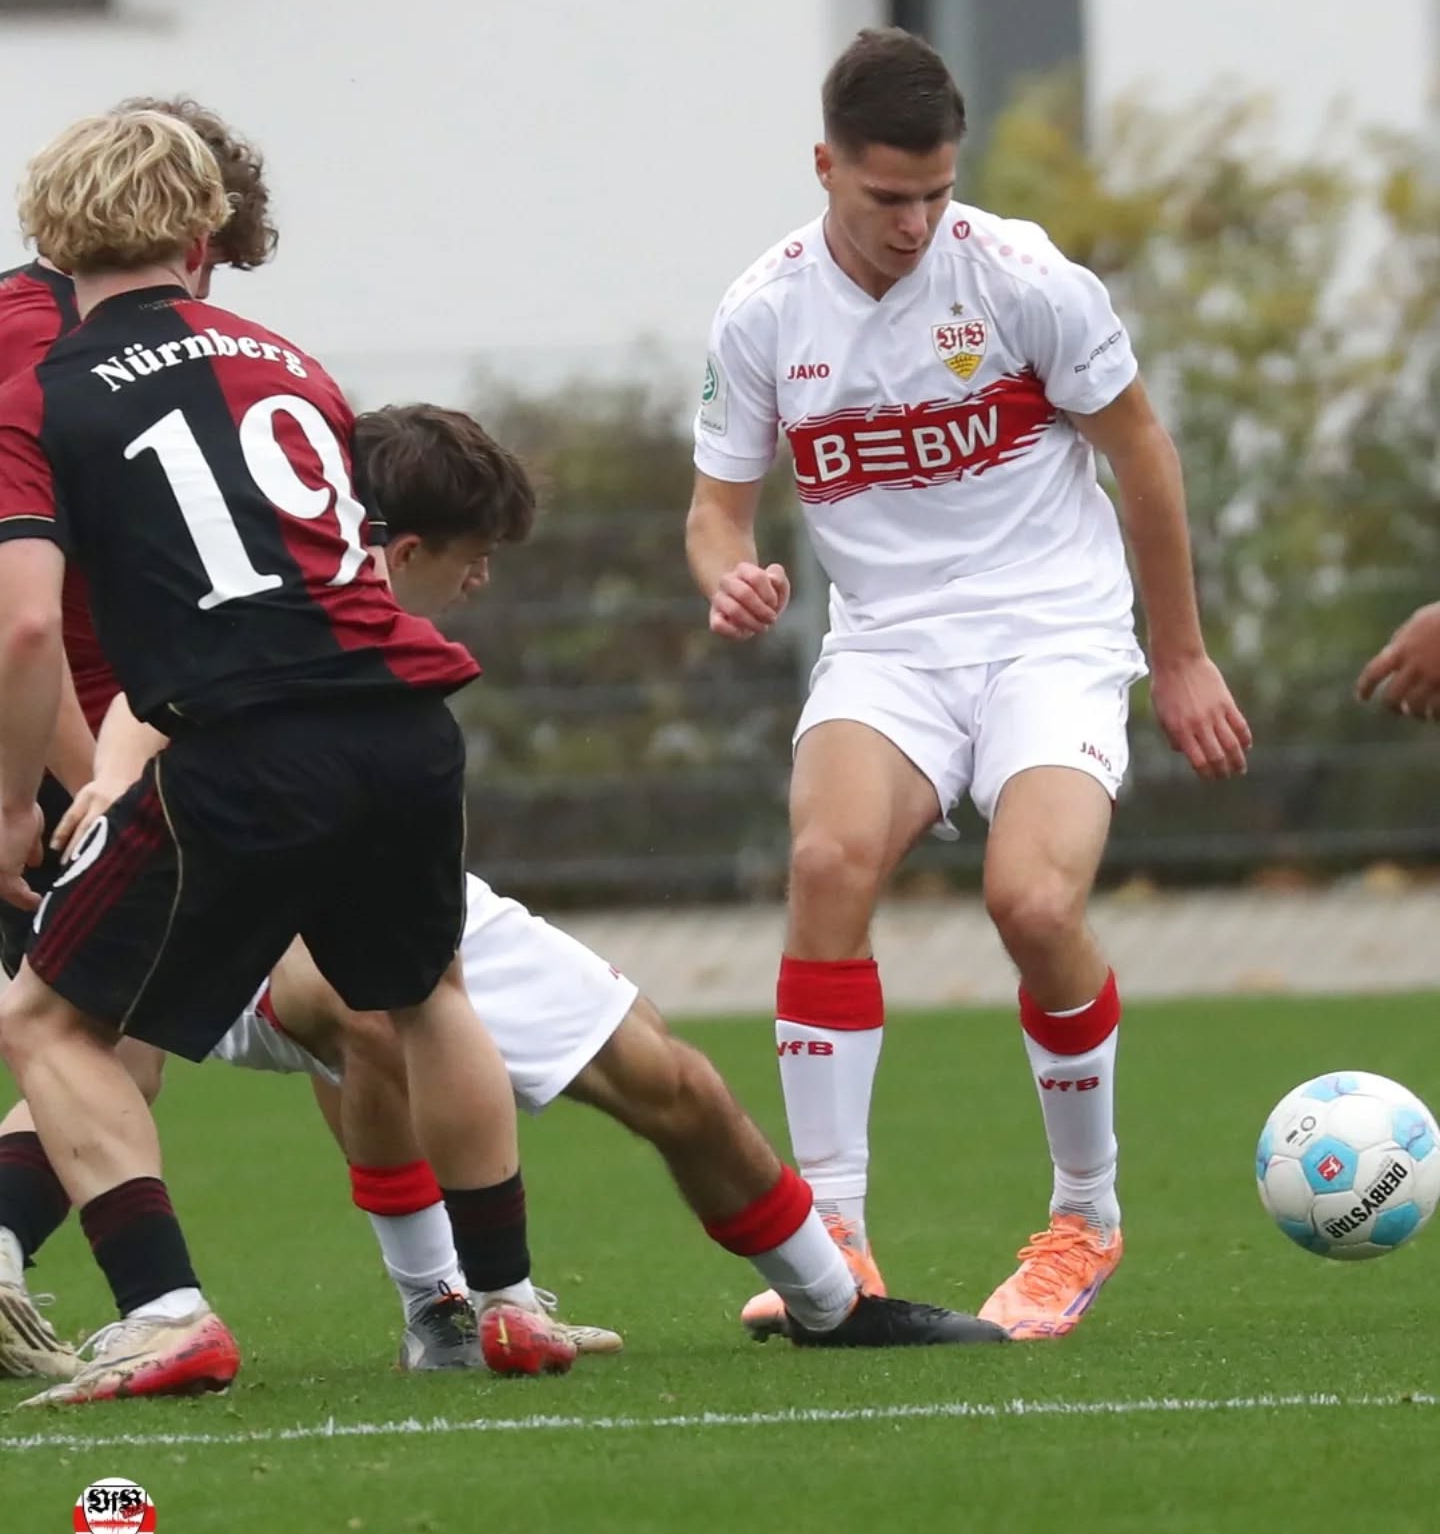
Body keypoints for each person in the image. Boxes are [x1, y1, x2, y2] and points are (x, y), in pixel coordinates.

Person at [83, 403, 1014, 1363]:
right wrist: (111, 790)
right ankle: (445, 1308)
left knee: (669, 1075)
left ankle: (828, 1301)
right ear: (398, 553)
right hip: (262, 925)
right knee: (359, 1010)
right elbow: (145, 705)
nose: (484, 576)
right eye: (471, 552)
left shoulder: (381, 653)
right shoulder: (264, 608)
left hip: (401, 894)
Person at [0, 102, 612, 1383]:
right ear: (203, 232)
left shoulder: (46, 394)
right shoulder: (291, 361)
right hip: (401, 723)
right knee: (425, 995)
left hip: (240, 748)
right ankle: (504, 1295)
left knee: (55, 1021)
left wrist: (18, 802)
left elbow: (21, 631)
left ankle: (165, 1309)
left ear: (52, 234)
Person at [685, 28, 1251, 1342]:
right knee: (827, 860)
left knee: (1033, 901)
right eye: (887, 196)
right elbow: (717, 512)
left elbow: (1144, 453)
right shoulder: (761, 310)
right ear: (825, 165)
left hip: (1053, 632)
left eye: (936, 191)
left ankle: (1084, 1215)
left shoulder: (1022, 278)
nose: (915, 221)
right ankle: (834, 1231)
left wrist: (1178, 653)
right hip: (889, 647)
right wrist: (732, 573)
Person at [0, 97, 281, 1383]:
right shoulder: (56, 355)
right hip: (56, 739)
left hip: (104, 732)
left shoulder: (77, 330)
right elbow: (24, 621)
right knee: (86, 1031)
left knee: (109, 1040)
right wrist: (71, 787)